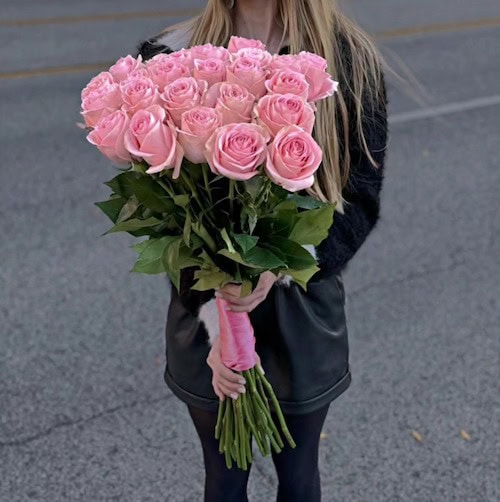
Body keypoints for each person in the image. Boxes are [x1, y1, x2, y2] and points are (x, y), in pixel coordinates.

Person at [136, 0, 388, 500]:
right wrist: (217, 319)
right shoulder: (169, 56)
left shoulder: (349, 61)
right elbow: (163, 213)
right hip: (206, 317)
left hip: (303, 314)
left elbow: (359, 198)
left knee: (298, 481)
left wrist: (282, 266)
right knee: (225, 478)